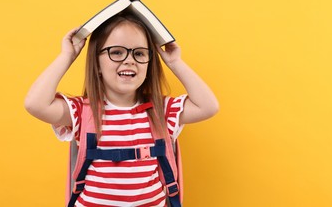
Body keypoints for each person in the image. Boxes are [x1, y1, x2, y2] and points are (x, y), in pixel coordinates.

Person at [24, 13, 219, 206]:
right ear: (97, 63)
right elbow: (35, 104)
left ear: (149, 63)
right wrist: (67, 56)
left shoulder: (162, 111)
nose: (129, 60)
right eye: (116, 52)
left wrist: (175, 62)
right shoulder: (82, 111)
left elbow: (208, 107)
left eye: (139, 53)